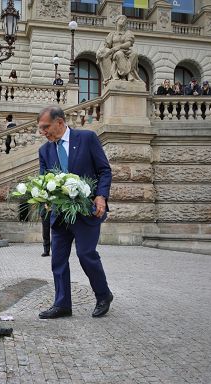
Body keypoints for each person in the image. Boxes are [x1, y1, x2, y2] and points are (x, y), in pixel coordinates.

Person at [37, 106, 113, 319]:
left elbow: (104, 170)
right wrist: (43, 198)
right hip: (60, 214)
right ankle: (62, 304)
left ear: (59, 122)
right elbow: (44, 181)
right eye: (41, 128)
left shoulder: (87, 138)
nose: (43, 132)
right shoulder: (45, 150)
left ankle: (103, 295)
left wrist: (101, 196)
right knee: (58, 259)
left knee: (85, 254)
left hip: (87, 211)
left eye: (46, 127)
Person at [96, 14, 142, 85]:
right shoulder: (112, 34)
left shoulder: (128, 33)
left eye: (125, 20)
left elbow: (128, 43)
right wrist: (102, 51)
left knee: (134, 54)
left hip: (126, 51)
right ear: (117, 21)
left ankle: (125, 74)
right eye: (122, 19)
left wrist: (119, 47)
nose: (123, 21)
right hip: (114, 53)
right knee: (119, 54)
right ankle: (128, 75)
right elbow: (107, 46)